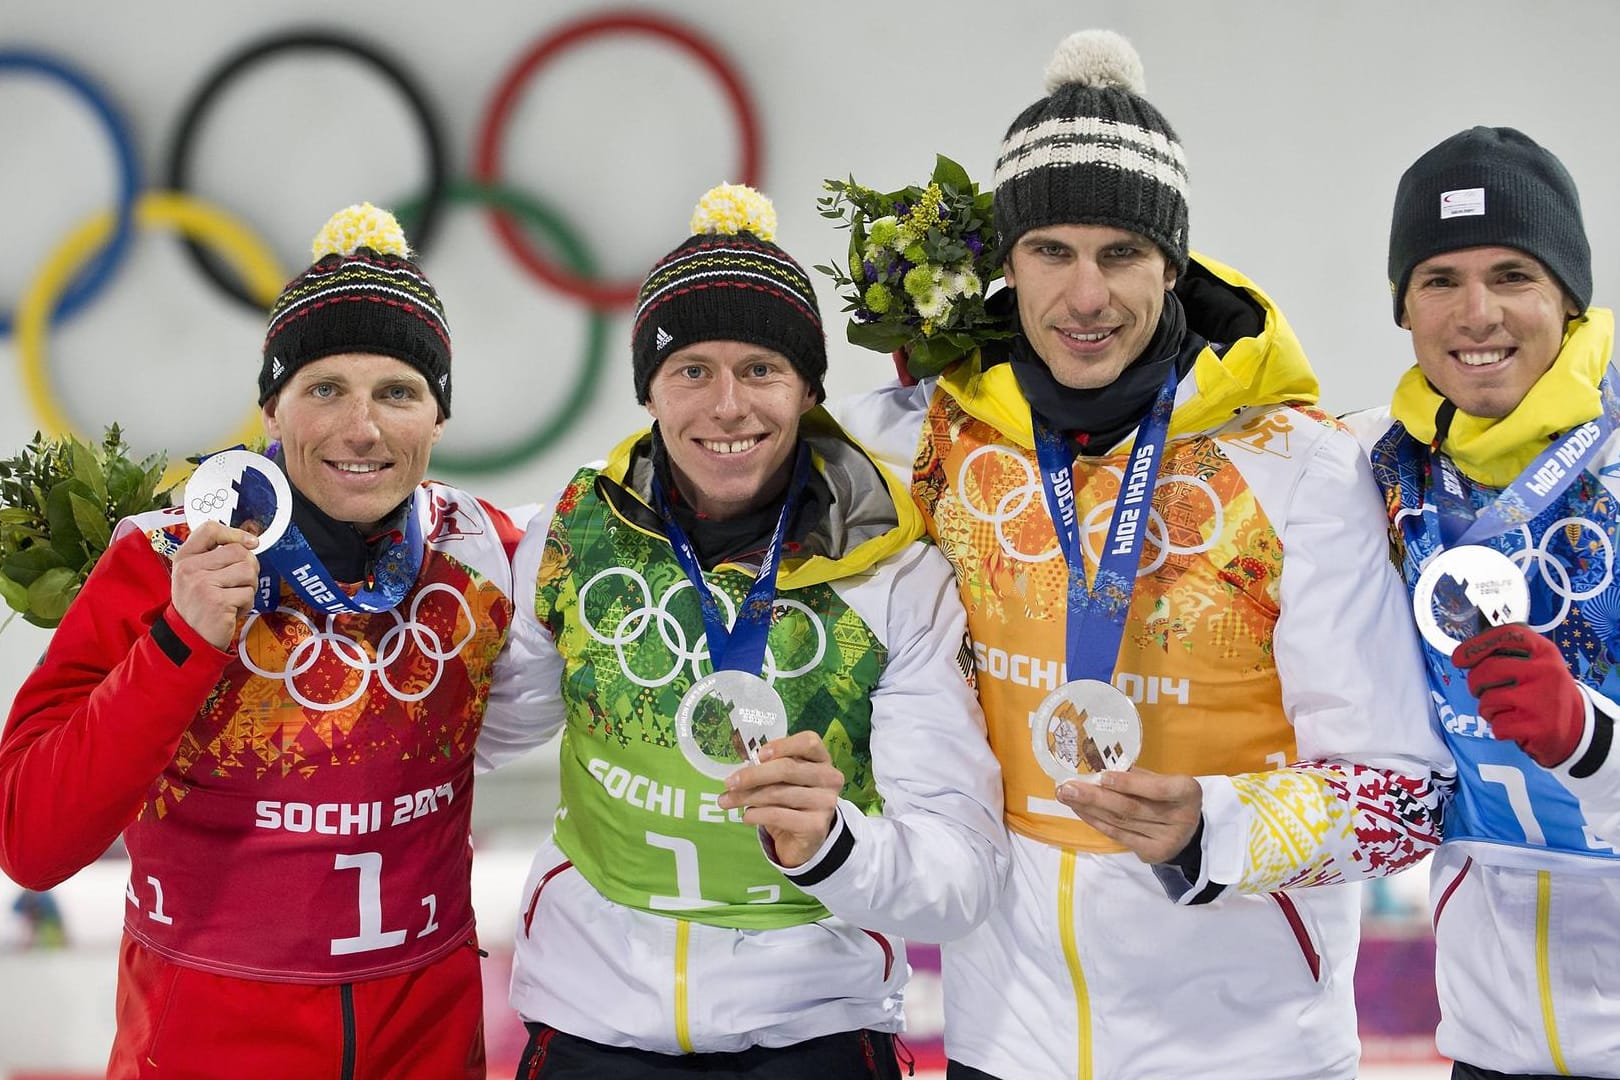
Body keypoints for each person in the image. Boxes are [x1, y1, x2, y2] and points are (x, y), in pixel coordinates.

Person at [834, 30, 1449, 1080]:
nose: (1086, 297)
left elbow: (1404, 799)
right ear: (1004, 263)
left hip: (1251, 1048)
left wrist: (1216, 827)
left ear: (1173, 261)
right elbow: (722, 444)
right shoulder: (926, 441)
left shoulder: (1296, 466)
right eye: (1051, 251)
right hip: (1003, 1040)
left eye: (1121, 254)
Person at [477, 183, 1007, 1078]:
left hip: (813, 1030)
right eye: (693, 371)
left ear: (807, 389)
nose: (727, 407)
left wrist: (835, 843)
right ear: (651, 389)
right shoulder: (573, 533)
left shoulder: (896, 569)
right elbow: (472, 733)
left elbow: (960, 876)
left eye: (760, 369)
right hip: (592, 1021)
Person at [0, 204, 523, 1079]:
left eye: (398, 392)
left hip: (425, 1049)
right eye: (325, 389)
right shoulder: (159, 557)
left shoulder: (485, 554)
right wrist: (179, 642)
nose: (362, 428)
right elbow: (31, 841)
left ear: (439, 419)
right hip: (209, 1050)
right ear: (271, 408)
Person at [1358, 126, 1620, 1080]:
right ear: (1403, 308)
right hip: (1489, 1037)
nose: (1477, 314)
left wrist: (1593, 742)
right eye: (1439, 279)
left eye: (1513, 274)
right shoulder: (1382, 471)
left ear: (1567, 296)